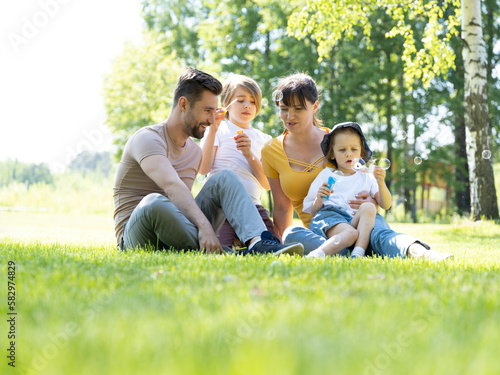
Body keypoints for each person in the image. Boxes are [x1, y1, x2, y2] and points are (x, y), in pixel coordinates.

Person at [261, 72, 452, 261]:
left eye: (298, 109)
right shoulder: (272, 150)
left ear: (315, 106)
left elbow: (364, 180)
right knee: (291, 234)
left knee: (383, 235)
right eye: (284, 108)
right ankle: (359, 249)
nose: (289, 116)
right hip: (325, 229)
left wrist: (373, 201)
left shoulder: (340, 140)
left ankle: (424, 253)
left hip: (360, 219)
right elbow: (281, 208)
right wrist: (279, 245)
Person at [113, 67, 303, 256]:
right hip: (137, 235)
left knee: (224, 177)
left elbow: (183, 204)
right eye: (207, 111)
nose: (213, 119)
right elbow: (171, 186)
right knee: (154, 202)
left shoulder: (194, 152)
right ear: (183, 104)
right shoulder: (148, 138)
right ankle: (227, 252)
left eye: (214, 111)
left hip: (176, 234)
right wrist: (204, 226)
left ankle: (257, 243)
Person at [199, 74, 275, 247]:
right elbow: (203, 169)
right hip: (221, 209)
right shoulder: (219, 129)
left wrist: (249, 154)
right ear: (225, 105)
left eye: (253, 101)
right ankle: (238, 240)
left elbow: (266, 184)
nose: (247, 105)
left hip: (253, 206)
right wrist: (212, 130)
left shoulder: (263, 138)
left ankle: (243, 240)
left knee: (271, 242)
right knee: (220, 247)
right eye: (240, 100)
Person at [303, 122, 392, 258]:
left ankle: (358, 252)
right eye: (342, 150)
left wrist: (381, 183)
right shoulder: (327, 175)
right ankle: (318, 254)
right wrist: (319, 198)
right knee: (350, 233)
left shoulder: (367, 177)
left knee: (369, 207)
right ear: (332, 154)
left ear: (361, 154)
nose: (348, 154)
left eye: (354, 149)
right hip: (333, 218)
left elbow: (386, 204)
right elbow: (314, 212)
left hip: (357, 221)